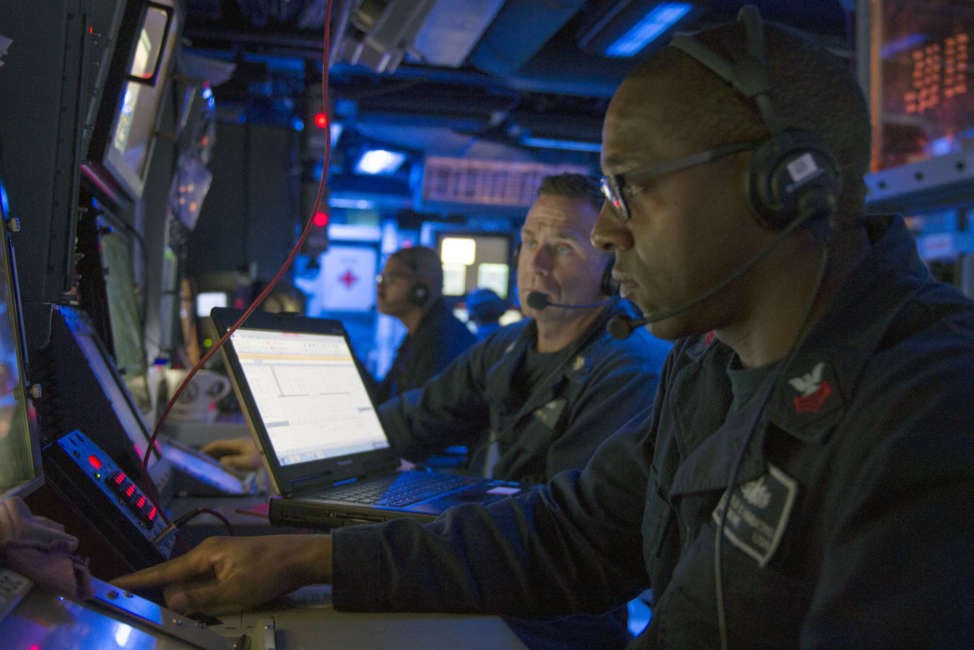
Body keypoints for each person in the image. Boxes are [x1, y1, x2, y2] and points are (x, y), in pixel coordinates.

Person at [115, 10, 974, 648]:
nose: (605, 233)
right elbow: (566, 534)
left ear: (779, 186)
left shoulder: (931, 407)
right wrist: (307, 562)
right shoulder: (708, 368)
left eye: (629, 187)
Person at [202, 244, 477, 470]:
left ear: (422, 286)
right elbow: (383, 400)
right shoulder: (419, 335)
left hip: (428, 468)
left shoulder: (441, 340)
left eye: (391, 279)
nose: (380, 288)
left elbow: (414, 428)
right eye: (380, 279)